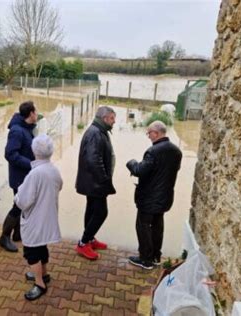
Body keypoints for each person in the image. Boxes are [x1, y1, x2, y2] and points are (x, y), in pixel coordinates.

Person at [126, 120, 182, 269]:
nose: (148, 136)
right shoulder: (177, 151)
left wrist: (131, 162)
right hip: (165, 197)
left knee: (143, 226)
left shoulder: (153, 151)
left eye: (149, 133)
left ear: (156, 133)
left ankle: (145, 259)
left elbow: (139, 170)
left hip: (149, 198)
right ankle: (156, 256)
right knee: (158, 226)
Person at [14, 134, 62, 301]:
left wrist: (18, 192)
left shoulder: (34, 174)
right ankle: (44, 273)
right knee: (41, 247)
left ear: (34, 151)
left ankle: (40, 283)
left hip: (35, 220)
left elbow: (23, 201)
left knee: (32, 251)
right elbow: (59, 186)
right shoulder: (53, 169)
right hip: (47, 216)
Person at [75, 106, 117, 260]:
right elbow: (93, 160)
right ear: (105, 118)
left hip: (92, 181)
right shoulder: (95, 133)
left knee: (92, 209)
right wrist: (104, 180)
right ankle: (83, 243)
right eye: (112, 118)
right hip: (95, 182)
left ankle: (90, 238)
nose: (114, 121)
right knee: (101, 212)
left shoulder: (100, 131)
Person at [0, 101, 38, 252]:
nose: (37, 114)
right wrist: (31, 164)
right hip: (19, 177)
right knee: (18, 206)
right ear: (31, 114)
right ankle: (4, 237)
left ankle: (17, 234)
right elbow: (10, 154)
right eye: (36, 111)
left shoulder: (26, 129)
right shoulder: (17, 131)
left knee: (21, 204)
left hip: (25, 176)